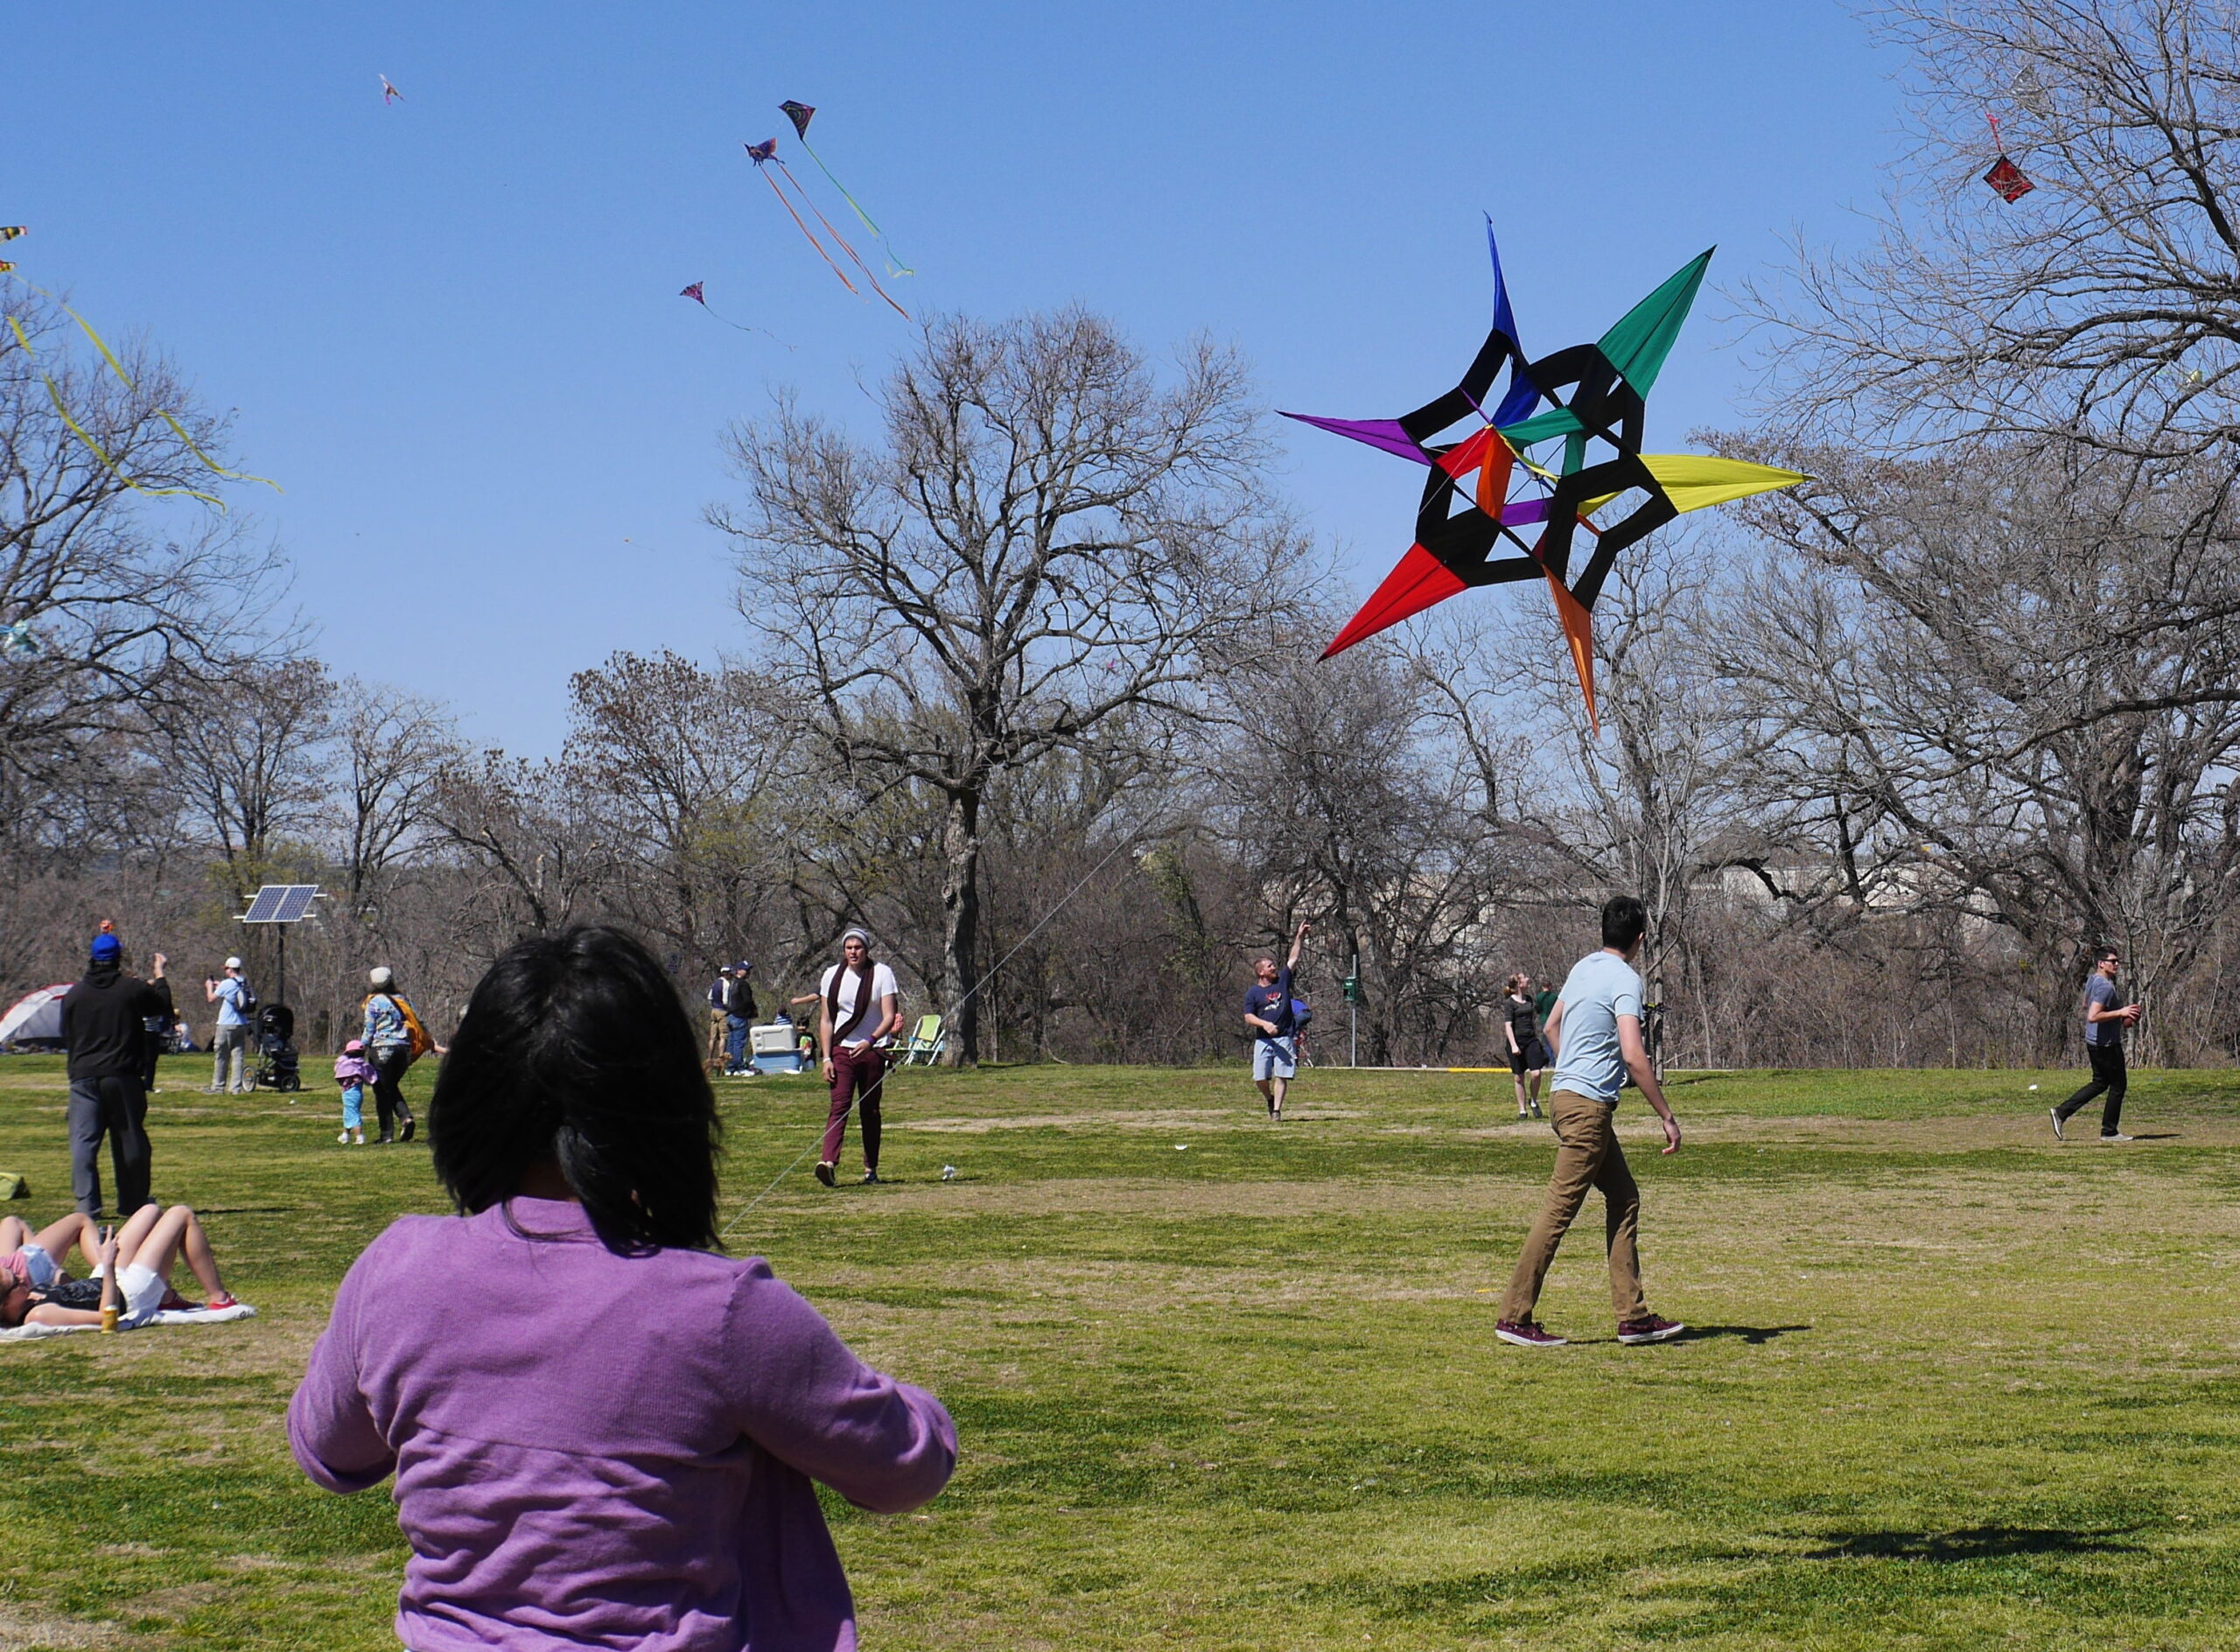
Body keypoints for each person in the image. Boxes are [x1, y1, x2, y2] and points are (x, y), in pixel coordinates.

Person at [288, 924, 954, 1652]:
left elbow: (329, 1450)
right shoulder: (726, 1311)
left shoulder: (395, 1268)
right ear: (666, 1107)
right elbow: (905, 1466)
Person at [1494, 896, 1685, 1349]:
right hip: (1587, 1109)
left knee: (1624, 1197)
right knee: (1558, 1210)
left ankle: (1633, 1318)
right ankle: (1514, 1316)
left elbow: (1551, 1027)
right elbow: (1634, 1055)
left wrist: (1574, 1068)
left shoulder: (1583, 968)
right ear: (1641, 939)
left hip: (1563, 1098)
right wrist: (1667, 1116)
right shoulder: (1626, 979)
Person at [60, 933, 172, 1222]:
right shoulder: (130, 989)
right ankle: (132, 1202)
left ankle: (87, 1205)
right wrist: (159, 975)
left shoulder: (74, 995)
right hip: (122, 1075)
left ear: (91, 959)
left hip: (83, 1076)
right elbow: (162, 1006)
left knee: (83, 1142)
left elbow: (66, 1035)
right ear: (118, 959)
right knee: (129, 1139)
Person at [0, 1202, 235, 1329]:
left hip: (105, 1278)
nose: (22, 1278)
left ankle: (165, 1299)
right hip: (129, 1293)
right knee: (181, 1213)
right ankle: (220, 1299)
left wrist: (107, 1268)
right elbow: (107, 1318)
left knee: (150, 1211)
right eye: (16, 1282)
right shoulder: (39, 1314)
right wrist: (109, 1264)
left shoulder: (26, 1299)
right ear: (6, 1303)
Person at [816, 928, 901, 1186]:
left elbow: (889, 1016)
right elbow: (826, 1019)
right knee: (839, 1105)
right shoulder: (831, 975)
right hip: (842, 1050)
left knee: (870, 1110)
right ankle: (828, 1163)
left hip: (872, 1050)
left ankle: (870, 1169)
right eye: (849, 948)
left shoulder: (882, 974)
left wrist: (871, 1041)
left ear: (866, 949)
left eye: (858, 947)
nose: (853, 952)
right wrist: (826, 1058)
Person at [2050, 944, 2141, 1143]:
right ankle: (2109, 1132)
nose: (2116, 964)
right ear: (2101, 963)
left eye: (2117, 961)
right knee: (2118, 1085)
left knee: (2100, 1083)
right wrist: (2121, 1012)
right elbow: (2092, 1015)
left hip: (2093, 1041)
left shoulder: (2093, 980)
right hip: (2106, 1045)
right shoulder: (2105, 987)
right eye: (2112, 961)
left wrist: (2116, 1013)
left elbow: (2086, 1004)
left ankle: (2061, 1112)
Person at [1243, 921, 1311, 1120]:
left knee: (1282, 1075)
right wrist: (1264, 1024)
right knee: (1260, 1078)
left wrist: (1300, 936)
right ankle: (1269, 1099)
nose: (1274, 967)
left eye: (1273, 965)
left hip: (1284, 1037)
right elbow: (1248, 1017)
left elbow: (1293, 958)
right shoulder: (1253, 993)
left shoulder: (1282, 981)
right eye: (1269, 966)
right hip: (1263, 1040)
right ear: (1261, 972)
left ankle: (1276, 1111)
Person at [362, 966, 437, 1144]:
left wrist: (359, 1048)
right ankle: (406, 1119)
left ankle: (386, 1134)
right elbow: (419, 1021)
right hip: (404, 1049)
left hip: (382, 1049)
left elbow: (369, 1030)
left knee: (382, 1091)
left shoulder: (373, 1002)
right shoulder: (403, 999)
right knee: (390, 1086)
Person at [1, 1210, 102, 1289]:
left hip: (15, 1273)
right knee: (81, 1220)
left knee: (11, 1222)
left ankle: (55, 1275)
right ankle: (104, 1272)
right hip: (25, 1268)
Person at [204, 956, 255, 1094]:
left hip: (226, 1024)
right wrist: (220, 985)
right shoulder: (244, 982)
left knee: (221, 1056)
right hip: (242, 1024)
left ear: (230, 969)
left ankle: (218, 1087)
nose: (225, 971)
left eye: (226, 968)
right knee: (238, 1057)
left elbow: (211, 998)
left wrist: (209, 987)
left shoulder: (227, 984)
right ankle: (235, 1088)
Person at [1503, 973, 1549, 1120]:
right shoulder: (1509, 1003)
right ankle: (1522, 1110)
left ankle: (1533, 1101)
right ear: (1518, 984)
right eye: (1524, 978)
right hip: (1516, 1041)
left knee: (1536, 1073)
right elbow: (1508, 1026)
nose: (1528, 979)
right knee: (1519, 1077)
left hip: (1531, 1040)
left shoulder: (1529, 1000)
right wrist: (1513, 1045)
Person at [335, 1039, 376, 1146]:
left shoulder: (345, 1064)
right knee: (348, 1113)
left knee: (353, 1115)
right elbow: (370, 1077)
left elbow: (338, 1071)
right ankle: (345, 1135)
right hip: (357, 1094)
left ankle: (359, 1137)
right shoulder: (361, 1065)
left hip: (349, 1094)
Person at [723, 961, 759, 1077]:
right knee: (738, 1042)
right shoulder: (743, 984)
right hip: (739, 1017)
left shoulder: (732, 983)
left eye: (748, 969)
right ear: (738, 970)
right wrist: (752, 1011)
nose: (748, 972)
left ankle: (730, 1068)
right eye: (746, 969)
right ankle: (739, 1067)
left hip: (730, 1016)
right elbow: (747, 1000)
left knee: (731, 1043)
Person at [704, 965, 732, 1074]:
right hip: (722, 1011)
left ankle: (709, 1059)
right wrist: (729, 1009)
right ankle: (721, 1059)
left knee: (712, 1037)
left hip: (714, 1010)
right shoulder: (726, 984)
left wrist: (713, 1005)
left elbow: (709, 997)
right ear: (727, 973)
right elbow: (725, 1001)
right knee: (723, 1036)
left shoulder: (716, 983)